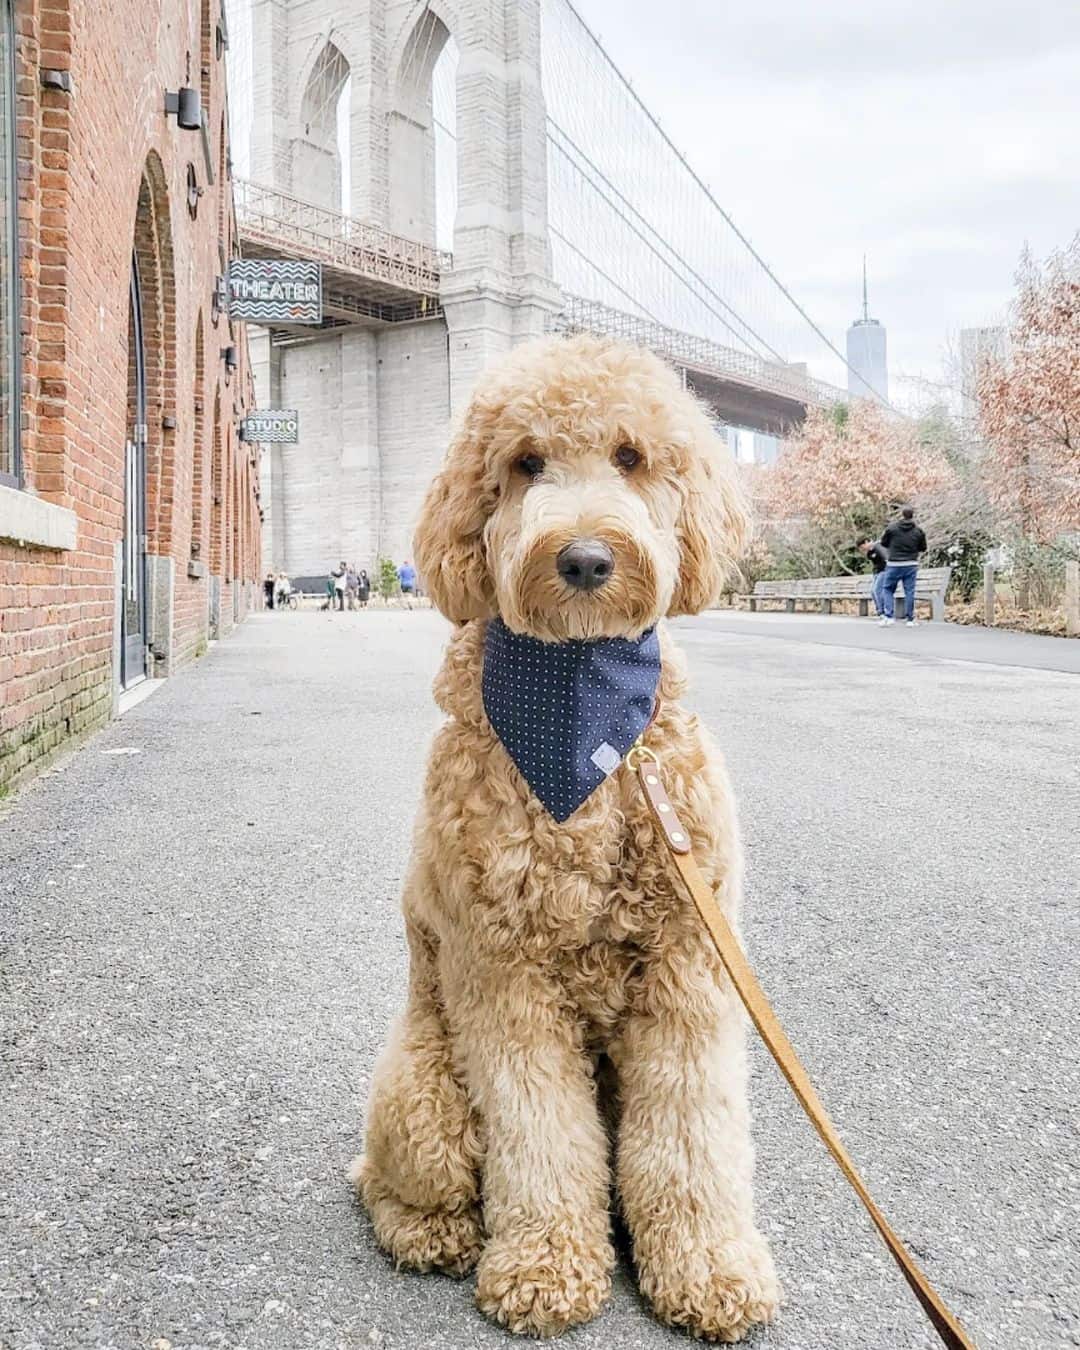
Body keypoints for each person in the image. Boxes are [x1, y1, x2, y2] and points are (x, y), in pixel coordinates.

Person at [878, 506, 927, 627]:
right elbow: (923, 548)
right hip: (910, 564)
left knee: (888, 589)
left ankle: (889, 616)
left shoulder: (892, 528)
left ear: (902, 514)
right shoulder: (918, 531)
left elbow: (883, 543)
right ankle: (910, 619)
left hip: (894, 563)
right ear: (912, 515)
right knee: (909, 591)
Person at [857, 536, 889, 617]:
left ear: (866, 542)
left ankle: (883, 611)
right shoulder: (869, 553)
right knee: (872, 591)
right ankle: (879, 610)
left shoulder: (878, 546)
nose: (862, 549)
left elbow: (886, 557)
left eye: (862, 546)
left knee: (877, 590)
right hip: (876, 573)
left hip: (884, 571)